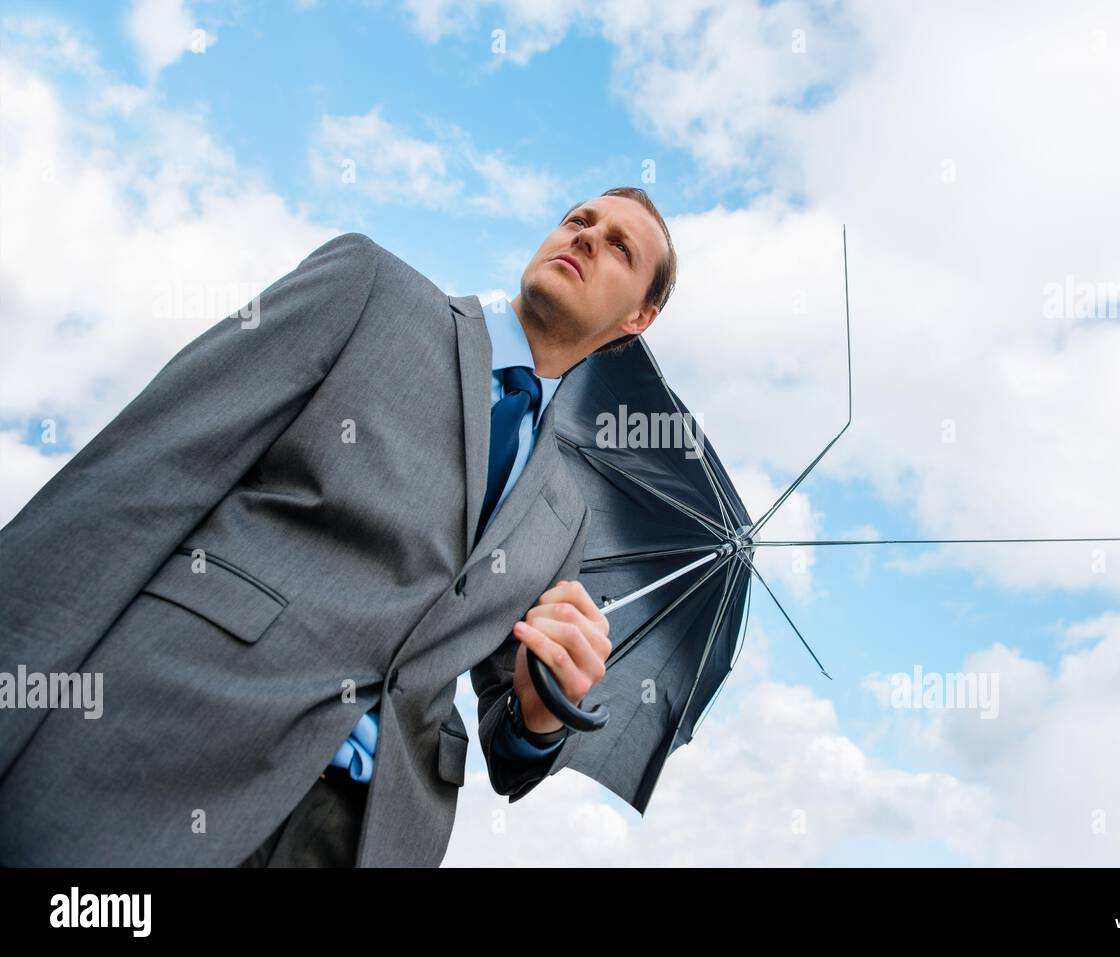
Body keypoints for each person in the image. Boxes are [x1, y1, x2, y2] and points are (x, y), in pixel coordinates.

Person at [0, 187, 678, 866]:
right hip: (169, 746)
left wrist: (540, 713)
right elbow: (141, 478)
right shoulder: (370, 291)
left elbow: (509, 738)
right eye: (578, 219)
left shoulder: (566, 516)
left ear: (638, 318)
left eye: (620, 246)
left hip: (364, 836)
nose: (587, 236)